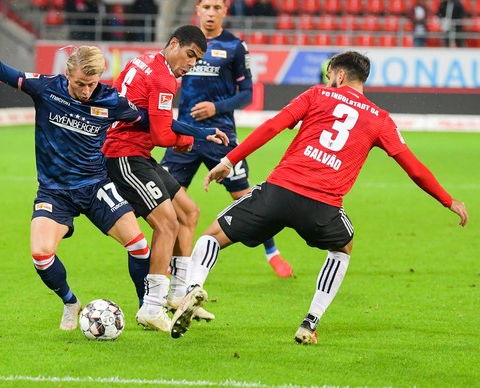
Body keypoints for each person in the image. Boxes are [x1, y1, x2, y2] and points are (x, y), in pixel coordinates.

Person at [170, 51, 468, 343]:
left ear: (339, 75)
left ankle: (194, 286)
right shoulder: (380, 119)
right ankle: (309, 323)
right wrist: (447, 200)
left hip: (279, 191)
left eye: (330, 77)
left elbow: (272, 126)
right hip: (322, 206)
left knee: (212, 235)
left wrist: (229, 160)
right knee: (343, 247)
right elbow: (414, 169)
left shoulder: (317, 95)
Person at [0, 26, 158, 332]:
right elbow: (0, 70)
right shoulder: (46, 88)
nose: (86, 91)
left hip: (96, 186)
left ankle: (144, 309)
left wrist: (194, 133)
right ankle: (70, 302)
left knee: (138, 245)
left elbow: (151, 122)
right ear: (68, 74)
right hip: (55, 192)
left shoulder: (110, 100)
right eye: (81, 84)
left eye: (92, 84)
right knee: (41, 256)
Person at [103, 25, 228, 330]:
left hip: (137, 153)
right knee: (167, 222)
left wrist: (198, 132)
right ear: (174, 43)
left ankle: (178, 295)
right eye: (189, 55)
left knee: (189, 212)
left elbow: (156, 119)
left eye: (196, 60)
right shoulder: (163, 78)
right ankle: (152, 306)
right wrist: (190, 140)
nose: (190, 64)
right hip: (124, 156)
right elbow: (161, 134)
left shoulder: (142, 61)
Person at [161, 0, 293, 279]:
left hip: (221, 136)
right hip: (183, 135)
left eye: (216, 7)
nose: (211, 13)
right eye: (206, 7)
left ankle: (272, 252)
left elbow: (247, 94)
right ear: (197, 9)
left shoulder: (235, 46)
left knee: (243, 197)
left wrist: (215, 108)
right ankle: (173, 265)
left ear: (225, 10)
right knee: (165, 199)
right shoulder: (182, 44)